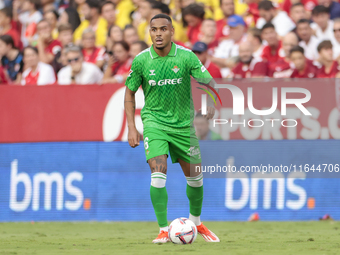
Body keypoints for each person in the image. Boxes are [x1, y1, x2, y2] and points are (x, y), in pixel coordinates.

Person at [124, 13, 220, 244]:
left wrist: (210, 103)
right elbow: (129, 91)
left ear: (171, 32)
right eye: (154, 29)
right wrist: (131, 127)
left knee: (196, 179)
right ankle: (163, 229)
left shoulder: (186, 57)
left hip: (184, 127)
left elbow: (209, 82)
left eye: (163, 29)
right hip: (155, 123)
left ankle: (196, 222)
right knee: (158, 174)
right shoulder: (141, 60)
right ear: (150, 32)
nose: (158, 34)